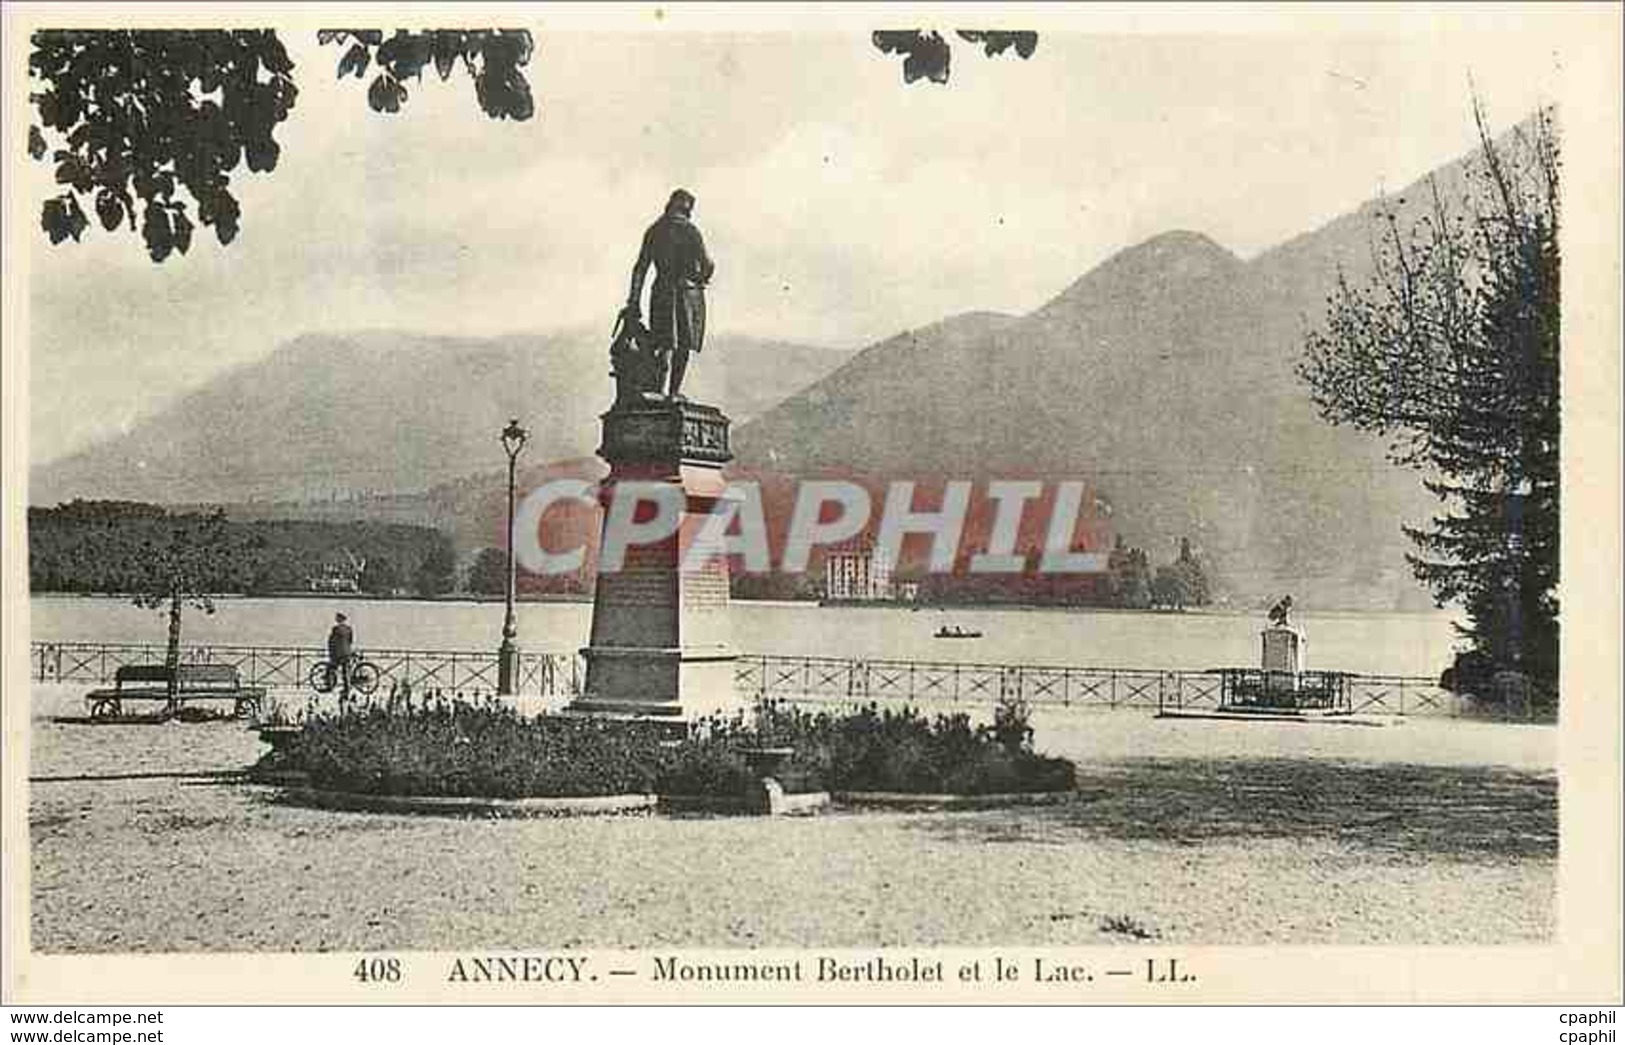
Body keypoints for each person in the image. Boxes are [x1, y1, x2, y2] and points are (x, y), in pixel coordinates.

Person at [625, 188, 715, 399]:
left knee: (664, 342)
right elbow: (708, 263)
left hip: (661, 291)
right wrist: (702, 278)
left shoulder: (654, 230)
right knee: (683, 344)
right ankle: (674, 392)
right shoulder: (691, 230)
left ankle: (657, 389)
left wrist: (634, 301)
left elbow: (640, 268)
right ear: (686, 208)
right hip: (686, 293)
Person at [326, 612, 354, 695]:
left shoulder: (335, 629)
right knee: (345, 671)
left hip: (338, 654)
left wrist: (331, 652)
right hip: (347, 653)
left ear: (338, 620)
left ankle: (330, 686)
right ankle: (347, 689)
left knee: (331, 669)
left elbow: (332, 641)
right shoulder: (349, 629)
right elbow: (350, 640)